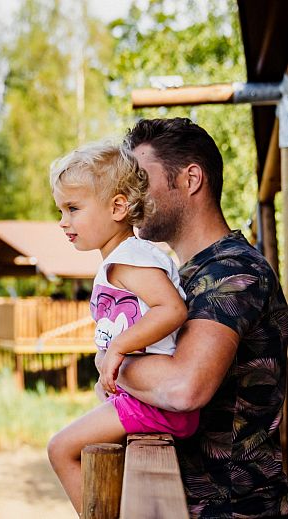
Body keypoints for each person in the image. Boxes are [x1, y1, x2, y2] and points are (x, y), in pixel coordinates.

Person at [103, 117, 288, 518]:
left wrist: (109, 360)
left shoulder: (234, 271)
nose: (128, 194)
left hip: (234, 509)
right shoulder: (183, 277)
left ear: (190, 179)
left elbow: (183, 387)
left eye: (139, 179)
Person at [45, 141, 199, 514]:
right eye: (61, 210)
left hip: (156, 403)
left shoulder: (130, 259)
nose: (63, 221)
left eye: (73, 209)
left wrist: (117, 348)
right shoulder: (124, 259)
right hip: (143, 399)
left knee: (60, 449)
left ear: (117, 208)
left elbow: (172, 309)